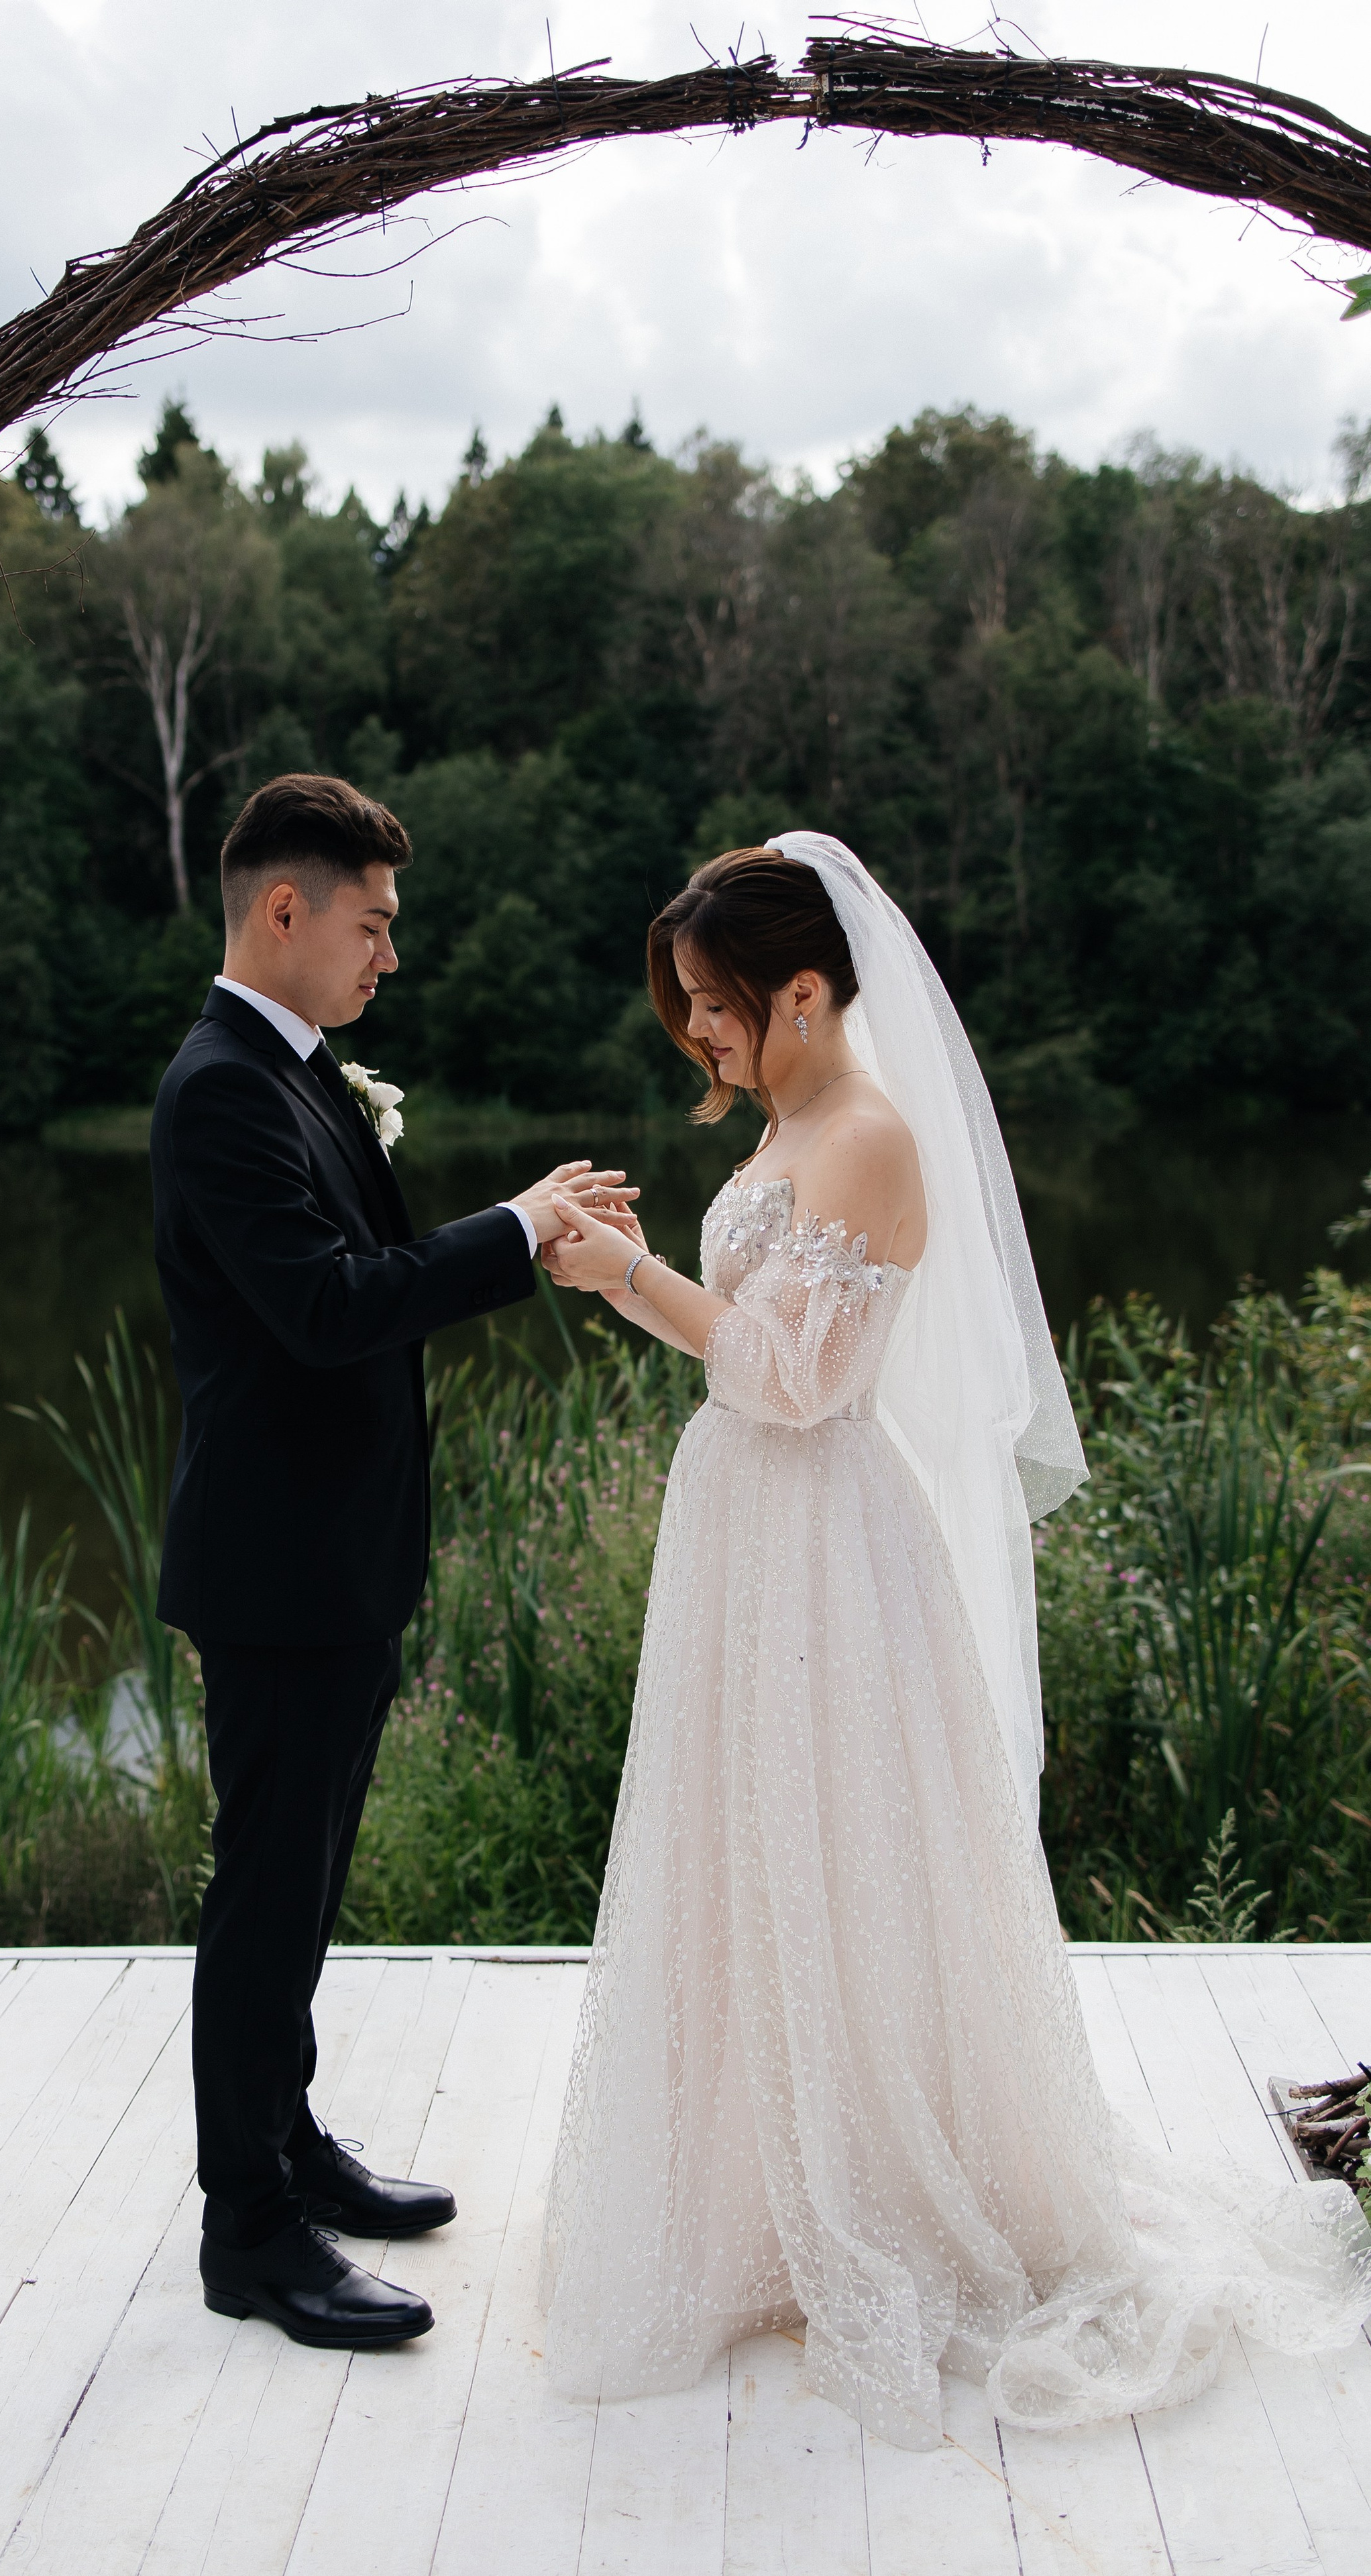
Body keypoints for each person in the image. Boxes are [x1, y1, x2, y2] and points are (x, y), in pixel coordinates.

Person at [536, 835, 1371, 2447]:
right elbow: (742, 1350)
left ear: (801, 989)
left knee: (833, 1847)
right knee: (745, 1846)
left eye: (714, 1002)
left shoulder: (867, 1135)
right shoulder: (787, 1123)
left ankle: (870, 2189)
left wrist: (636, 1270)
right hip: (745, 1528)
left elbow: (796, 1382)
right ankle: (753, 2190)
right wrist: (610, 1278)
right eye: (686, 1004)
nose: (696, 1031)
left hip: (819, 1537)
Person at [151, 772, 635, 2352]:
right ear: (285, 910)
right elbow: (325, 1308)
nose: (389, 956)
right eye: (371, 925)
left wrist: (509, 1233)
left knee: (303, 1885)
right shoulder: (222, 1089)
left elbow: (354, 1281)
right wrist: (513, 1230)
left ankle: (287, 2144)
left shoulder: (294, 1070)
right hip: (274, 1567)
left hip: (332, 1559)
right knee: (264, 1894)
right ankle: (247, 2232)